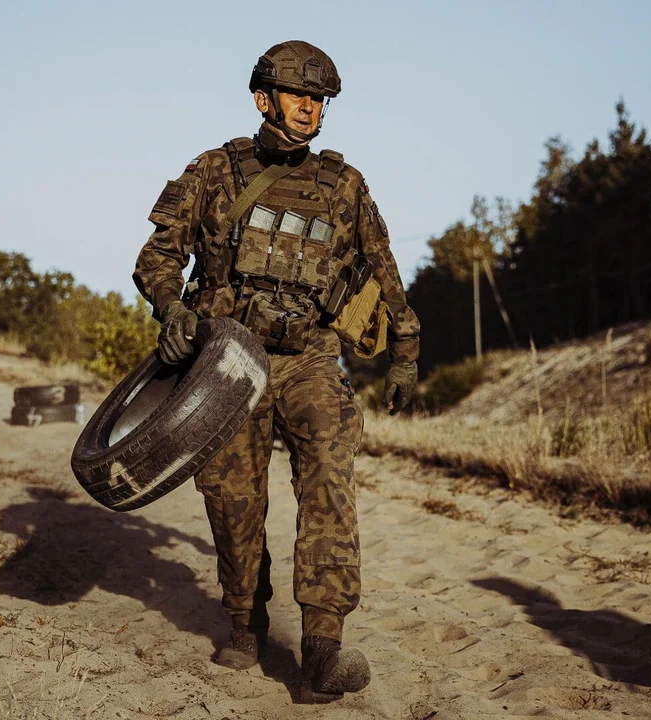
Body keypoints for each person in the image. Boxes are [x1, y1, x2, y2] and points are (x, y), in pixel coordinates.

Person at [132, 40, 420, 703]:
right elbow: (156, 256)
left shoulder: (344, 185)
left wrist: (405, 347)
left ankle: (322, 644)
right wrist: (172, 308)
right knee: (232, 498)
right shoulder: (212, 171)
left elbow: (381, 269)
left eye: (318, 100)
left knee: (327, 471)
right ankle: (244, 620)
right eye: (298, 96)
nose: (309, 109)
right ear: (263, 98)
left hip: (312, 357)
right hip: (229, 361)